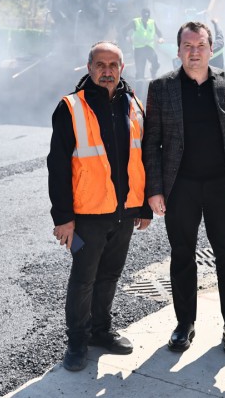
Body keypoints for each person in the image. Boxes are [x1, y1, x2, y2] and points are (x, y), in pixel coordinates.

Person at [142, 21, 225, 356]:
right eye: (188, 46)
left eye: (200, 45)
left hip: (224, 186)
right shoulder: (162, 87)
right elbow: (152, 143)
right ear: (178, 50)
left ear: (211, 48)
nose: (194, 52)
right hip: (181, 187)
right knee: (181, 256)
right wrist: (155, 189)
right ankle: (184, 324)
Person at [47, 41, 153, 372]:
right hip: (86, 215)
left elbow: (143, 157)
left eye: (113, 65)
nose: (106, 71)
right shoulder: (70, 107)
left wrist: (144, 206)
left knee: (109, 275)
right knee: (83, 278)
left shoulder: (133, 104)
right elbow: (58, 166)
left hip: (124, 212)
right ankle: (77, 341)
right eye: (100, 64)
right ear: (89, 67)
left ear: (122, 68)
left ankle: (101, 331)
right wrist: (63, 218)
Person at [124, 8, 164, 80]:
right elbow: (124, 30)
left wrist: (160, 38)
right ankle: (139, 85)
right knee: (140, 74)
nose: (146, 19)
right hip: (139, 49)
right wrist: (127, 37)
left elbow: (159, 32)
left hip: (149, 48)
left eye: (147, 17)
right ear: (142, 16)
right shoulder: (135, 22)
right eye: (145, 17)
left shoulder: (152, 22)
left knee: (156, 64)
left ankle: (153, 72)